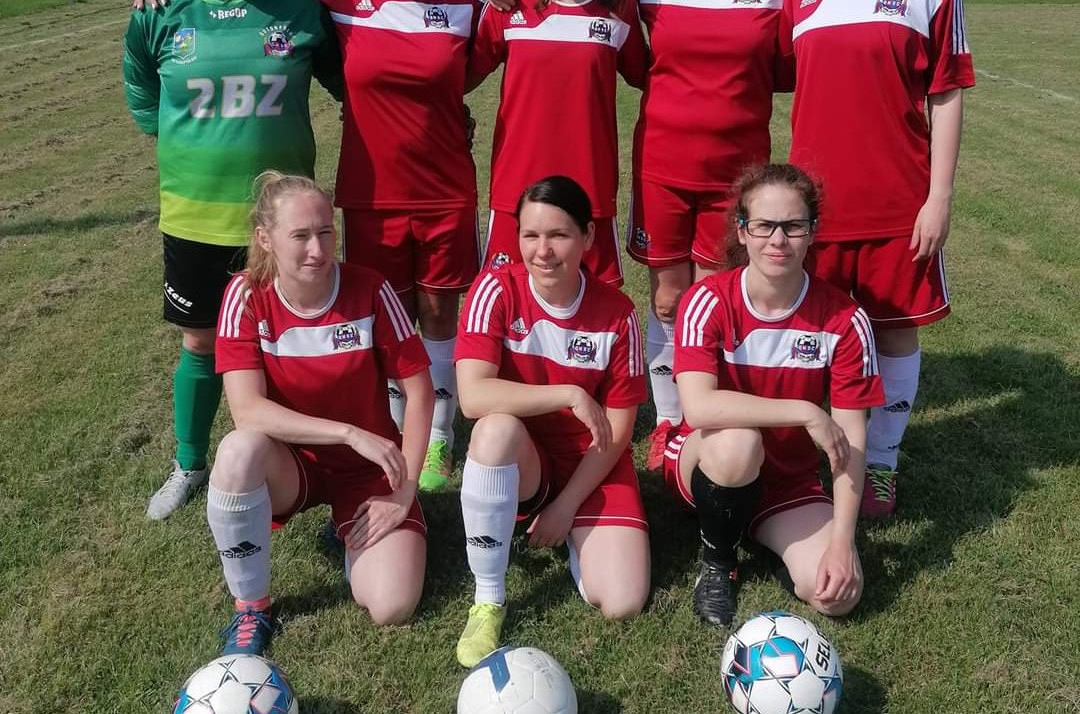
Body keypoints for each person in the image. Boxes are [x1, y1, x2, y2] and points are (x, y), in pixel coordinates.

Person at [484, 0, 954, 471]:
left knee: (713, 299)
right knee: (667, 297)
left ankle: (741, 422)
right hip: (662, 170)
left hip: (738, 179)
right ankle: (673, 424)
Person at [134, 0, 480, 496]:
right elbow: (145, 77)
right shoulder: (304, 2)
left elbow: (371, 76)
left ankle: (419, 437)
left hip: (352, 209)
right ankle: (192, 462)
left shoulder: (326, 9)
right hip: (224, 211)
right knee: (207, 337)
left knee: (378, 323)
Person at [123, 0, 341, 521]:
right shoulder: (160, 11)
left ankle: (301, 463)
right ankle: (189, 463)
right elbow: (141, 88)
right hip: (195, 217)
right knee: (200, 344)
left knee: (292, 342)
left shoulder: (300, 12)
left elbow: (357, 89)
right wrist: (181, 140)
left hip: (282, 224)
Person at [779, 0, 975, 517]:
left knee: (893, 331)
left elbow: (947, 94)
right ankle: (816, 460)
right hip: (813, 212)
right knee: (813, 337)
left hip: (898, 204)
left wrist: (939, 198)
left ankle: (882, 464)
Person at [210, 172, 433, 655]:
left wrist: (405, 490)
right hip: (292, 467)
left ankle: (355, 529)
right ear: (265, 239)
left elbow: (421, 393)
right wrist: (348, 432)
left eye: (325, 232)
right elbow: (246, 410)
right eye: (301, 236)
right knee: (236, 453)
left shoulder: (370, 290)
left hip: (369, 472)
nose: (317, 249)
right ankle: (251, 607)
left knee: (392, 604)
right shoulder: (246, 296)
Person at [665, 164, 883, 628]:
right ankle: (717, 561)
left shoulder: (844, 319)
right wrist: (804, 411)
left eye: (793, 226)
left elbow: (851, 439)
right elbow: (699, 407)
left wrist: (843, 541)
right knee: (738, 443)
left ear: (812, 233)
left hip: (787, 481)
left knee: (838, 595)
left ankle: (758, 530)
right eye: (763, 226)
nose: (778, 240)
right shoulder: (708, 299)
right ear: (742, 232)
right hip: (709, 457)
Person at [453, 175, 650, 667]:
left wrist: (567, 506)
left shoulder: (619, 314)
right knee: (494, 429)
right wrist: (567, 393)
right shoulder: (494, 290)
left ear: (587, 237)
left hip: (593, 460)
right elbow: (473, 397)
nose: (542, 251)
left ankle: (572, 533)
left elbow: (620, 432)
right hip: (524, 459)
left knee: (623, 602)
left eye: (558, 235)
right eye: (529, 235)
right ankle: (489, 597)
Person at [467, 0, 648, 288]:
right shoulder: (509, 3)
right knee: (509, 313)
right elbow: (454, 80)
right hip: (517, 196)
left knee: (591, 319)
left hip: (590, 197)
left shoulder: (617, 5)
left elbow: (654, 78)